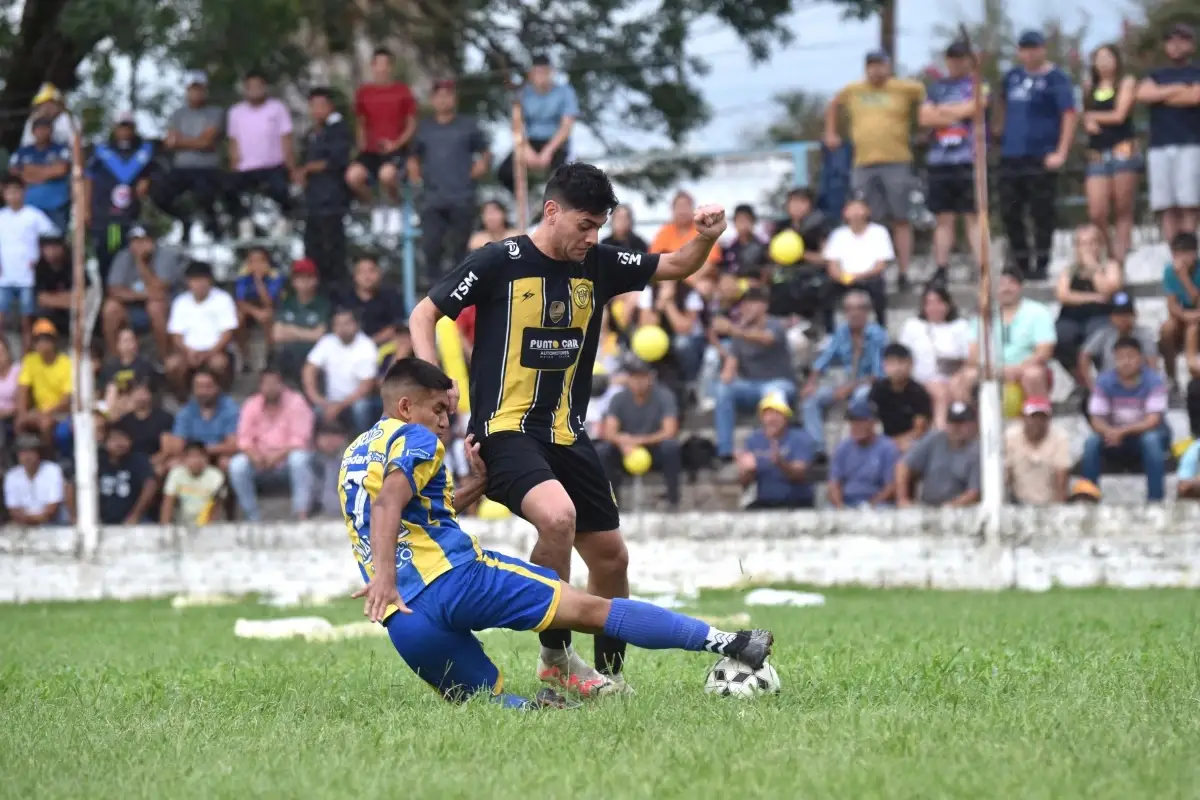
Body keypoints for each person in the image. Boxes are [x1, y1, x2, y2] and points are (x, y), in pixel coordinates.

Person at [408, 162, 727, 696]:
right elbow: (424, 314)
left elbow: (676, 265)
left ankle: (610, 676)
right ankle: (555, 656)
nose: (593, 237)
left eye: (600, 226)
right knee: (557, 518)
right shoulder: (498, 261)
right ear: (551, 210)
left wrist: (706, 238)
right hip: (504, 432)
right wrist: (431, 389)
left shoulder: (598, 263)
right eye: (585, 225)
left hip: (567, 434)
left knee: (611, 559)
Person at [344, 357, 774, 708]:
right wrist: (383, 575)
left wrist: (479, 483)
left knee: (485, 703)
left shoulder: (355, 454)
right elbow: (388, 506)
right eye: (437, 409)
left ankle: (539, 708)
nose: (443, 421)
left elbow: (409, 514)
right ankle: (729, 641)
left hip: (406, 619)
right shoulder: (417, 440)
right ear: (405, 407)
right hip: (458, 581)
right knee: (592, 609)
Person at [824, 50, 925, 289]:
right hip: (863, 163)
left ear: (888, 66)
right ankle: (872, 272)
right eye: (871, 65)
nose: (876, 70)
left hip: (897, 160)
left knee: (901, 218)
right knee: (868, 219)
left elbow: (926, 98)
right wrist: (831, 131)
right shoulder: (853, 90)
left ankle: (903, 272)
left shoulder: (905, 88)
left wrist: (923, 128)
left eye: (880, 65)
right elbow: (834, 104)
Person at [996, 30, 1078, 280]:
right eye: (1024, 48)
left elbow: (1069, 114)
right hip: (1012, 154)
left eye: (1034, 48)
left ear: (1043, 49)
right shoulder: (1012, 77)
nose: (1029, 53)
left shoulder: (1057, 78)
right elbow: (999, 106)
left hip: (1042, 154)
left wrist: (1061, 151)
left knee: (1041, 211)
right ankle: (1020, 261)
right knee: (1010, 211)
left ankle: (1042, 261)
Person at [407, 79, 491, 279]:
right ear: (433, 99)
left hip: (462, 196)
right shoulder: (424, 128)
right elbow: (412, 156)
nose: (444, 100)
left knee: (461, 249)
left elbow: (485, 152)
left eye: (448, 95)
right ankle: (434, 296)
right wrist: (415, 176)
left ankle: (461, 298)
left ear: (455, 99)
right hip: (432, 198)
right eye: (439, 95)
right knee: (431, 247)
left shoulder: (468, 126)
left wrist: (480, 166)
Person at [919, 40, 987, 285]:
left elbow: (978, 106)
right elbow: (925, 117)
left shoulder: (978, 84)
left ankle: (982, 265)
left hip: (968, 158)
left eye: (961, 58)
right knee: (943, 218)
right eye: (952, 58)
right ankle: (941, 267)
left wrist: (943, 113)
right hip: (939, 159)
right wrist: (958, 111)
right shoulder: (936, 88)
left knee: (973, 216)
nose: (956, 63)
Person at [713, 285, 798, 460]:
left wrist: (733, 329)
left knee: (771, 393)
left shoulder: (774, 324)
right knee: (722, 390)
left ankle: (769, 448)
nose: (746, 308)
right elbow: (730, 367)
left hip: (779, 383)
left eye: (752, 303)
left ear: (764, 306)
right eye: (744, 304)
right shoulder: (739, 332)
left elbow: (767, 338)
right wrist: (725, 373)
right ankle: (725, 450)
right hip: (751, 387)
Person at [1082, 336, 1171, 502]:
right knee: (1091, 442)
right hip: (1115, 438)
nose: (1126, 362)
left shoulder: (1154, 380)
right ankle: (1088, 496)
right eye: (1121, 357)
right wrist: (1111, 432)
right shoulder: (1104, 381)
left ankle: (1155, 500)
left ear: (1141, 358)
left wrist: (1121, 431)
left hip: (1143, 436)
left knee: (1151, 440)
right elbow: (1096, 420)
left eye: (1131, 356)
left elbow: (1153, 421)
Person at [801, 289, 888, 458]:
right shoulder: (842, 332)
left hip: (869, 385)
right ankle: (817, 449)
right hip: (848, 382)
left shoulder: (878, 335)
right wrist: (811, 382)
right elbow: (825, 359)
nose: (855, 313)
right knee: (810, 400)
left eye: (860, 308)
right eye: (850, 309)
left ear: (867, 311)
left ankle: (855, 448)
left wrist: (849, 388)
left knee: (860, 398)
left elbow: (879, 375)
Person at [1136, 23, 1200, 245]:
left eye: (1182, 40)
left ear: (1191, 45)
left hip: (1190, 145)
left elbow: (1195, 97)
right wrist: (1181, 88)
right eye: (1170, 40)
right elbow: (1143, 94)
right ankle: (1175, 257)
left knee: (1189, 204)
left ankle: (1189, 254)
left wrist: (1161, 95)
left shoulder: (1197, 71)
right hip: (1159, 147)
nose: (1175, 45)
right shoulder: (1155, 73)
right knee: (1166, 206)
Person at [228, 367, 315, 522]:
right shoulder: (251, 404)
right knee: (237, 465)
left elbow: (301, 439)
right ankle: (252, 516)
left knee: (300, 459)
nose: (270, 388)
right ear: (260, 386)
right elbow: (244, 439)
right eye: (266, 384)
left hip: (286, 460)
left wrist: (278, 455)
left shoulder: (296, 402)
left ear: (282, 384)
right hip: (260, 462)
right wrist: (254, 456)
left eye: (274, 383)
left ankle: (300, 513)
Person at [152, 71, 232, 240]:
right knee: (159, 194)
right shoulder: (178, 114)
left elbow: (207, 142)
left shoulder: (215, 112)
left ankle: (212, 224)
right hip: (182, 168)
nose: (196, 93)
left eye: (199, 89)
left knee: (204, 193)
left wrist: (181, 142)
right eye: (192, 89)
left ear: (205, 90)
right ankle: (184, 218)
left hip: (207, 168)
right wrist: (196, 142)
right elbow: (169, 143)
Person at [594, 358, 682, 509]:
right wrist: (622, 442)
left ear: (650, 377)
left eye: (642, 376)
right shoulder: (619, 398)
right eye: (634, 377)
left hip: (653, 448)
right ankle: (610, 501)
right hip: (626, 450)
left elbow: (669, 431)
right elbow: (609, 431)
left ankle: (672, 499)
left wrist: (637, 441)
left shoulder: (664, 396)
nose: (638, 381)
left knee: (671, 447)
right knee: (603, 451)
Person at [1082, 45, 1140, 263]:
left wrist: (1091, 117)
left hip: (1122, 149)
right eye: (1099, 58)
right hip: (1097, 152)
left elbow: (1119, 115)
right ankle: (1109, 251)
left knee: (1123, 207)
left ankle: (1121, 256)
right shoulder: (1089, 87)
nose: (1104, 62)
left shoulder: (1126, 82)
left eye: (1108, 57)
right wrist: (1087, 119)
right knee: (1097, 210)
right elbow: (1084, 115)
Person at [226, 71, 294, 239]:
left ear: (264, 87)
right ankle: (244, 223)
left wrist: (291, 165)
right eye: (251, 86)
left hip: (273, 164)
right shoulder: (236, 112)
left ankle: (284, 222)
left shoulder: (277, 108)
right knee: (228, 189)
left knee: (282, 191)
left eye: (258, 86)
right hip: (246, 167)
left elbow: (286, 137)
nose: (255, 90)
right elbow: (233, 140)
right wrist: (234, 162)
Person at [497, 56, 578, 197]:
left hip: (556, 142)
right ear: (531, 74)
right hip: (529, 141)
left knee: (564, 178)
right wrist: (526, 150)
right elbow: (516, 126)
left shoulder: (565, 92)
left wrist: (548, 151)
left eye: (545, 72)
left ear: (552, 72)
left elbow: (566, 127)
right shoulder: (522, 93)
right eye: (538, 72)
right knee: (505, 172)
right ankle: (529, 198)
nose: (541, 77)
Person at [1054, 224, 1123, 387]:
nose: (1088, 248)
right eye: (1083, 244)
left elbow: (1108, 290)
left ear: (1100, 245)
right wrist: (1094, 297)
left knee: (1100, 336)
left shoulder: (1110, 266)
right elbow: (1063, 295)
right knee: (1059, 337)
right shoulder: (1070, 270)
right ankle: (1083, 383)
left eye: (1092, 243)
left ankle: (1104, 383)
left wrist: (1093, 268)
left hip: (1101, 315)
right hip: (1071, 316)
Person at [102, 226, 187, 357]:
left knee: (155, 307)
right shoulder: (124, 256)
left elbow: (159, 289)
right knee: (110, 308)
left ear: (152, 241)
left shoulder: (166, 255)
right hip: (135, 305)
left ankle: (163, 358)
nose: (138, 246)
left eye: (142, 241)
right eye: (134, 241)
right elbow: (114, 290)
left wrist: (140, 262)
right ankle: (116, 361)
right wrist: (143, 295)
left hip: (165, 307)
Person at [296, 87, 352, 286]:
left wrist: (309, 168)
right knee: (313, 253)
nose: (317, 110)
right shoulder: (312, 132)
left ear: (330, 106)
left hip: (331, 201)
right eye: (313, 106)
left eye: (321, 105)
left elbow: (337, 160)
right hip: (313, 203)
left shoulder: (338, 129)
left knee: (333, 253)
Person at [346, 48, 416, 205]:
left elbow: (411, 125)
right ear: (372, 66)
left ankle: (396, 203)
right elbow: (361, 123)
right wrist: (361, 146)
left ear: (391, 67)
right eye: (378, 64)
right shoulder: (363, 92)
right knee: (353, 176)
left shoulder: (402, 91)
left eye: (386, 64)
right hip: (370, 150)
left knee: (387, 175)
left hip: (395, 149)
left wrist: (396, 145)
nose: (382, 68)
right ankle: (372, 205)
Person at [898, 283, 970, 429]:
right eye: (929, 303)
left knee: (958, 388)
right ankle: (941, 433)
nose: (934, 308)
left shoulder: (960, 326)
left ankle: (965, 429)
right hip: (921, 379)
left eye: (939, 302)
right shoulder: (913, 326)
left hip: (952, 375)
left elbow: (968, 357)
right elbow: (902, 355)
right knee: (941, 392)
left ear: (947, 304)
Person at [0, 175, 58, 349]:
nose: (13, 196)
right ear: (4, 194)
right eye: (9, 192)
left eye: (16, 191)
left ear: (23, 193)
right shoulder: (1, 216)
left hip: (27, 276)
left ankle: (27, 358)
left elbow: (53, 235)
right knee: (1, 319)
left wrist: (39, 259)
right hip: (4, 277)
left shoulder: (33, 215)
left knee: (27, 321)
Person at [302, 307, 379, 436]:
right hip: (329, 400)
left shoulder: (366, 345)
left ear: (357, 325)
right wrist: (316, 397)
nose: (342, 328)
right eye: (338, 324)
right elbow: (309, 369)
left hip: (355, 400)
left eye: (347, 323)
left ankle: (362, 444)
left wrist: (338, 407)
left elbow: (366, 386)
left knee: (361, 408)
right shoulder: (327, 341)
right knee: (310, 409)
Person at [164, 261, 237, 394]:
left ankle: (220, 400)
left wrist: (209, 353)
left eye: (203, 279)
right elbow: (176, 336)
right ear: (188, 282)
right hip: (188, 352)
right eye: (195, 280)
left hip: (216, 351)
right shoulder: (180, 302)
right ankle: (183, 402)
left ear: (210, 280)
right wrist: (188, 352)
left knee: (218, 364)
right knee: (172, 365)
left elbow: (228, 333)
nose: (200, 284)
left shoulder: (223, 299)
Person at [735, 393, 817, 510]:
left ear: (786, 417)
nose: (772, 418)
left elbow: (800, 474)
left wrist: (780, 463)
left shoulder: (801, 438)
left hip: (796, 502)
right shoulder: (753, 440)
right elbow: (744, 484)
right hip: (765, 502)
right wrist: (747, 471)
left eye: (777, 413)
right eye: (768, 414)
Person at [821, 196, 894, 326]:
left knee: (878, 289)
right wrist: (841, 277)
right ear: (845, 213)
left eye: (859, 207)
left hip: (869, 277)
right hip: (844, 279)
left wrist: (859, 276)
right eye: (851, 208)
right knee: (825, 290)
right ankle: (829, 331)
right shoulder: (838, 234)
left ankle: (881, 327)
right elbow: (832, 265)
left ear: (868, 211)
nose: (855, 212)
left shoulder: (879, 232)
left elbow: (881, 265)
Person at [895, 401, 981, 508]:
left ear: (972, 424)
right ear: (947, 424)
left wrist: (949, 507)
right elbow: (903, 466)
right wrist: (902, 499)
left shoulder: (977, 450)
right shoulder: (935, 439)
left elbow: (974, 492)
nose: (957, 427)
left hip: (959, 510)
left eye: (962, 423)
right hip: (926, 506)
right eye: (953, 422)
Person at [827, 398, 900, 508]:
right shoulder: (843, 447)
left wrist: (870, 506)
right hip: (847, 501)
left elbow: (891, 487)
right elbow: (834, 483)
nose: (856, 425)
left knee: (883, 509)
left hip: (877, 503)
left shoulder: (887, 448)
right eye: (853, 421)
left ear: (872, 423)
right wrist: (840, 507)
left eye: (861, 421)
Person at [271, 258, 330, 383]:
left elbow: (319, 335)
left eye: (308, 277)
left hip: (315, 357)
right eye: (299, 278)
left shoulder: (323, 304)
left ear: (316, 280)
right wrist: (306, 333)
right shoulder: (286, 303)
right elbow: (277, 335)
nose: (304, 282)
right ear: (293, 282)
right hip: (288, 358)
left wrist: (291, 330)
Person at [16, 318, 71, 451]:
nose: (42, 343)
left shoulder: (66, 362)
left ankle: (48, 457)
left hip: (60, 412)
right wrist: (22, 413)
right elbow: (23, 389)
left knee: (45, 424)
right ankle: (22, 458)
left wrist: (46, 413)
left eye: (46, 339)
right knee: (20, 422)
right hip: (39, 411)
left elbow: (67, 398)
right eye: (38, 340)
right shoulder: (30, 360)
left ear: (54, 341)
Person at [9, 116, 72, 232]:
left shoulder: (60, 149)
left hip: (56, 205)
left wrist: (31, 172)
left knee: (55, 240)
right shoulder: (22, 151)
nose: (42, 132)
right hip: (29, 204)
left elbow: (61, 170)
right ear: (33, 132)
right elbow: (15, 175)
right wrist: (48, 172)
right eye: (39, 128)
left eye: (46, 128)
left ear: (51, 131)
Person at [1004, 396, 1070, 506]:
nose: (1037, 422)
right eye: (1033, 417)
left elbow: (1062, 479)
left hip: (1050, 504)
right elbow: (1006, 475)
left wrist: (1059, 509)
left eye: (1042, 417)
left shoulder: (1060, 438)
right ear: (1023, 418)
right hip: (1018, 504)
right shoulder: (1010, 437)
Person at [867, 343, 931, 451]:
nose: (897, 368)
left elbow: (919, 430)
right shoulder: (877, 390)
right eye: (892, 363)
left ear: (910, 364)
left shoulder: (918, 392)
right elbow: (870, 421)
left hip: (907, 440)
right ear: (884, 365)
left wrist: (893, 443)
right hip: (881, 440)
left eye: (901, 362)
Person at [1158, 231, 1200, 389]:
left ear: (1194, 254)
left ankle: (1193, 370)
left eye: (1186, 253)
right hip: (1184, 317)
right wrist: (1185, 316)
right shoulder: (1169, 271)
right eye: (1177, 254)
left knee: (1193, 328)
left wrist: (1184, 279)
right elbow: (1172, 306)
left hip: (1197, 317)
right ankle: (1171, 379)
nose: (1181, 259)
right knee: (1167, 329)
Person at [233, 246, 285, 368]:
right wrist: (256, 312)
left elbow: (269, 302)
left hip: (270, 309)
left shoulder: (275, 276)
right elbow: (240, 301)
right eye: (252, 261)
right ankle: (245, 358)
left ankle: (270, 354)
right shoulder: (243, 276)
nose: (257, 265)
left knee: (267, 314)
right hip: (250, 310)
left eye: (261, 261)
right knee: (237, 318)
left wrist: (258, 281)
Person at [97, 421, 158, 525]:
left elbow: (150, 484)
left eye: (124, 438)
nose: (119, 443)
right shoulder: (96, 460)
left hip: (133, 519)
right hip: (100, 519)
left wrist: (135, 515)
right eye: (114, 439)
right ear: (105, 441)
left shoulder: (138, 460)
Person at [4, 434, 65, 525]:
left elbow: (52, 507)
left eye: (31, 451)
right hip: (23, 524)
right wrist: (28, 520)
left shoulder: (53, 470)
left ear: (39, 454)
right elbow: (13, 509)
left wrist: (36, 519)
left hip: (51, 523)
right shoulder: (11, 475)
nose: (27, 456)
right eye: (23, 452)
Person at [161, 440, 226, 525]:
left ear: (206, 458)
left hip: (210, 524)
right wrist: (164, 528)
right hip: (182, 524)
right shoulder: (176, 473)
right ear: (184, 459)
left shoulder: (216, 476)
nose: (196, 460)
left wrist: (208, 531)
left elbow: (217, 507)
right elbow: (168, 502)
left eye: (200, 456)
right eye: (191, 457)